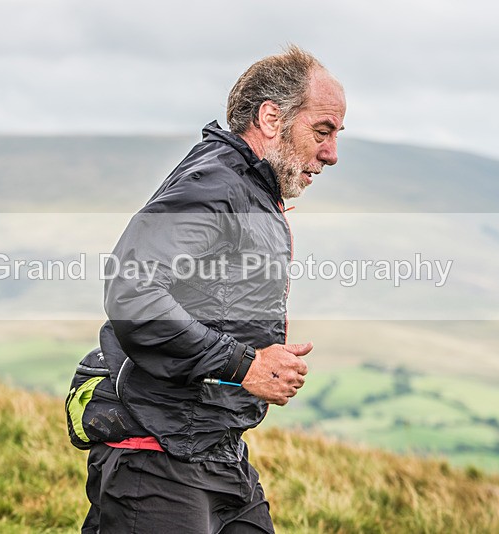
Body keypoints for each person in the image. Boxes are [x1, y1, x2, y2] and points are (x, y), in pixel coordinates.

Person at [82, 45, 346, 533]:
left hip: (215, 452)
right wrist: (245, 364)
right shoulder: (216, 184)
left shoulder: (248, 190)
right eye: (322, 131)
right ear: (271, 118)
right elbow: (131, 292)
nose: (331, 153)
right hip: (157, 457)